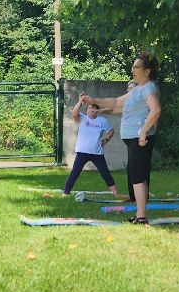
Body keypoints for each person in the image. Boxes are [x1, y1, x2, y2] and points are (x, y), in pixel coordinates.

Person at [80, 53, 162, 223]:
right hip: (134, 139)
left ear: (147, 71)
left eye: (137, 67)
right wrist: (93, 100)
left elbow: (156, 110)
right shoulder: (138, 89)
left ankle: (141, 216)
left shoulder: (148, 88)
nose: (133, 70)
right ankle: (140, 214)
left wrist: (143, 131)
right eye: (133, 66)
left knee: (137, 177)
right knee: (137, 176)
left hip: (140, 139)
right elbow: (117, 102)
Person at [63, 100, 119, 197]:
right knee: (75, 172)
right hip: (82, 152)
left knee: (105, 173)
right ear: (86, 110)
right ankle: (66, 193)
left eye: (94, 108)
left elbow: (111, 131)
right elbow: (74, 113)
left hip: (97, 153)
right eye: (89, 108)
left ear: (97, 110)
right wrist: (80, 101)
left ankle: (115, 193)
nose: (91, 109)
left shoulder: (102, 120)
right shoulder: (82, 118)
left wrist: (106, 139)